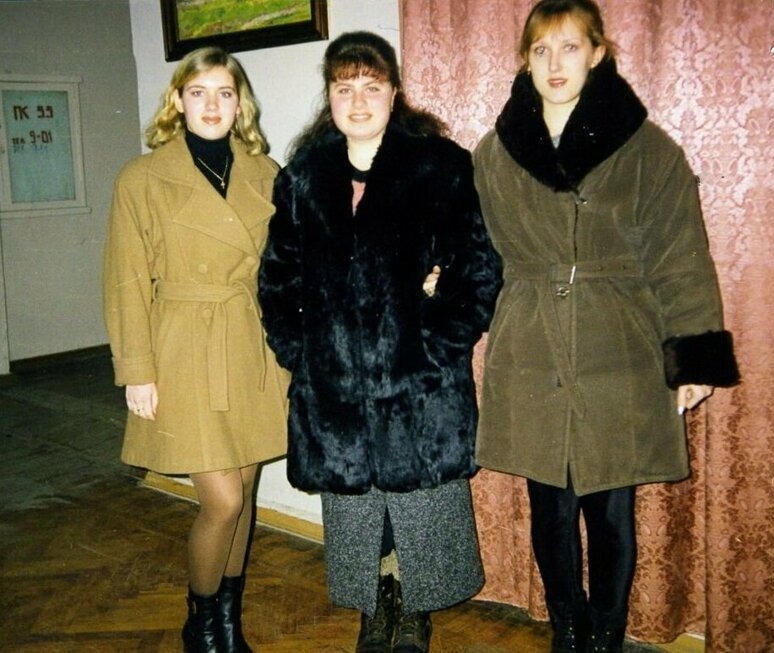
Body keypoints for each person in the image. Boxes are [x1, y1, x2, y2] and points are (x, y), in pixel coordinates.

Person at [472, 1, 739, 652]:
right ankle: (567, 629)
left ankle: (606, 636)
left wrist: (694, 357)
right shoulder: (495, 152)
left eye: (569, 47)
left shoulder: (648, 149)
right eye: (541, 50)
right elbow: (474, 248)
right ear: (525, 61)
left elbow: (680, 253)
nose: (555, 64)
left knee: (612, 507)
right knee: (550, 504)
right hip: (532, 343)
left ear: (598, 53)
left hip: (618, 344)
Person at [257, 31, 502, 653]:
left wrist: (437, 343)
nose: (359, 102)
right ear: (329, 98)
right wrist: (301, 354)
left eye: (372, 87)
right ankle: (376, 604)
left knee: (422, 508)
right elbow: (277, 278)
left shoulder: (439, 167)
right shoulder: (303, 177)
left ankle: (416, 609)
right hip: (334, 388)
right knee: (358, 511)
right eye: (345, 89)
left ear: (395, 93)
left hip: (419, 383)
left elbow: (478, 267)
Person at [103, 46, 289, 653]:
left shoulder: (267, 172)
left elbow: (288, 269)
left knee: (246, 493)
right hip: (181, 345)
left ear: (240, 104)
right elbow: (126, 279)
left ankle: (227, 626)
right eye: (198, 92)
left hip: (250, 344)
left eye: (224, 93)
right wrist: (136, 369)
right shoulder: (141, 178)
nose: (212, 105)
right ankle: (200, 623)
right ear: (178, 101)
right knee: (223, 500)